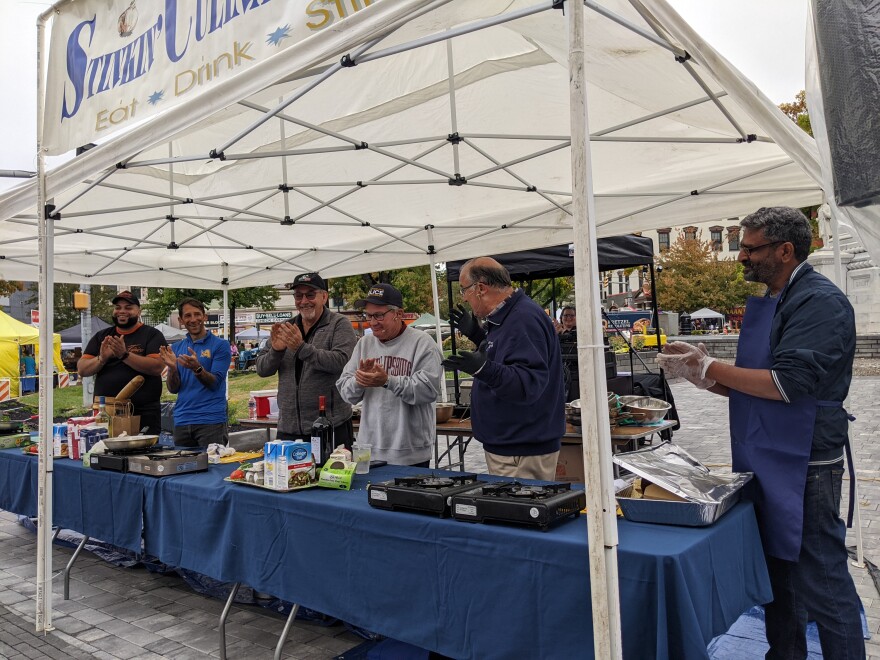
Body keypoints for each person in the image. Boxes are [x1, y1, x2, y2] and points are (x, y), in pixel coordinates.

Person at [657, 206, 864, 660]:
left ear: (785, 250)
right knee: (780, 576)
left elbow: (787, 384)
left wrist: (709, 364)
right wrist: (704, 377)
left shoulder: (818, 301)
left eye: (750, 249)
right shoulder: (780, 296)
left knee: (822, 579)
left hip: (805, 461)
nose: (741, 258)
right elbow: (754, 386)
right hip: (767, 454)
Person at [444, 258, 565, 480]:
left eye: (464, 290)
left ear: (480, 288)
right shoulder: (509, 316)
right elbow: (507, 355)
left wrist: (483, 369)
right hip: (513, 444)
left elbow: (528, 384)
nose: (464, 297)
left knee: (519, 511)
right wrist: (477, 335)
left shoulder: (522, 318)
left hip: (522, 448)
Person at [337, 283, 443, 467]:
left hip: (410, 453)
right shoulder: (364, 344)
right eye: (368, 315)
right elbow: (346, 393)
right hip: (368, 450)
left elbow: (428, 390)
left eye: (379, 315)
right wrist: (359, 381)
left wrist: (387, 381)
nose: (372, 322)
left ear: (399, 314)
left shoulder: (422, 343)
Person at [256, 273, 358, 446]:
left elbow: (342, 362)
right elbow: (262, 369)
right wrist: (276, 350)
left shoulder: (339, 324)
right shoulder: (286, 327)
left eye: (310, 295)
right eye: (298, 296)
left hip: (330, 425)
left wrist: (301, 348)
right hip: (288, 428)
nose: (304, 301)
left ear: (324, 297)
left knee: (330, 474)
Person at [77, 291, 167, 434]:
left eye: (128, 307)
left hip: (143, 414)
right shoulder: (102, 336)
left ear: (139, 311)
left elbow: (156, 367)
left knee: (143, 455)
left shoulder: (152, 334)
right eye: (118, 307)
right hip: (106, 412)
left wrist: (124, 355)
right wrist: (102, 358)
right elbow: (82, 369)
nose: (122, 311)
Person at [159, 298, 232, 448]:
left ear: (205, 316)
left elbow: (215, 383)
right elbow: (173, 389)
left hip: (211, 421)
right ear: (180, 320)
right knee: (184, 469)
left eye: (197, 314)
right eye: (188, 315)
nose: (193, 319)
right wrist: (172, 369)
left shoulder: (220, 345)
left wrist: (197, 369)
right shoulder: (177, 348)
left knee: (215, 469)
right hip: (182, 420)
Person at [555, 306, 579, 401]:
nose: (569, 318)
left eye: (572, 315)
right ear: (561, 318)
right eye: (566, 315)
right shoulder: (556, 332)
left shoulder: (581, 331)